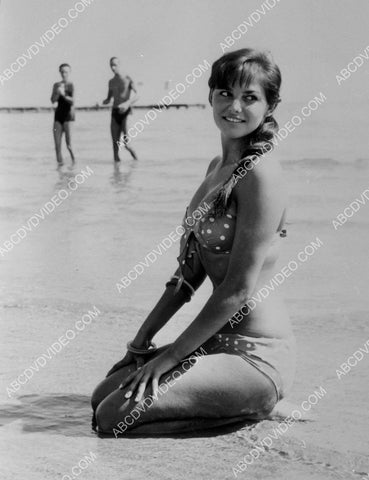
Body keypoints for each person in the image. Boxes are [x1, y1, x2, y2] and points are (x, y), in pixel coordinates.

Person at [92, 49, 296, 435]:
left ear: (271, 105)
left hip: (257, 354)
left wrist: (168, 358)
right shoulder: (215, 170)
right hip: (216, 343)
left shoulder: (262, 176)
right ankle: (226, 408)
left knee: (113, 417)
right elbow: (186, 277)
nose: (234, 106)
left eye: (250, 97)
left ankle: (253, 408)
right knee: (102, 394)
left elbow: (236, 291)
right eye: (224, 93)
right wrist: (139, 346)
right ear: (210, 96)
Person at [102, 57, 138, 162]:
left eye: (115, 65)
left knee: (127, 144)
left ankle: (137, 163)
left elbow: (138, 95)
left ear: (120, 65)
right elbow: (109, 98)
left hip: (126, 112)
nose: (113, 68)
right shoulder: (111, 82)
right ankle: (116, 175)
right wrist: (105, 101)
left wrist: (128, 103)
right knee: (115, 146)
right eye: (111, 65)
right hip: (115, 112)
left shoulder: (128, 78)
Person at [51, 63, 75, 166]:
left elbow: (72, 101)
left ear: (69, 72)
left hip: (69, 117)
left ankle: (74, 165)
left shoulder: (71, 84)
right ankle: (60, 171)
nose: (64, 74)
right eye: (62, 71)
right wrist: (57, 93)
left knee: (69, 145)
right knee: (57, 146)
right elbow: (53, 100)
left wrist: (63, 94)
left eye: (66, 72)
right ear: (59, 72)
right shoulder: (56, 85)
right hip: (58, 116)